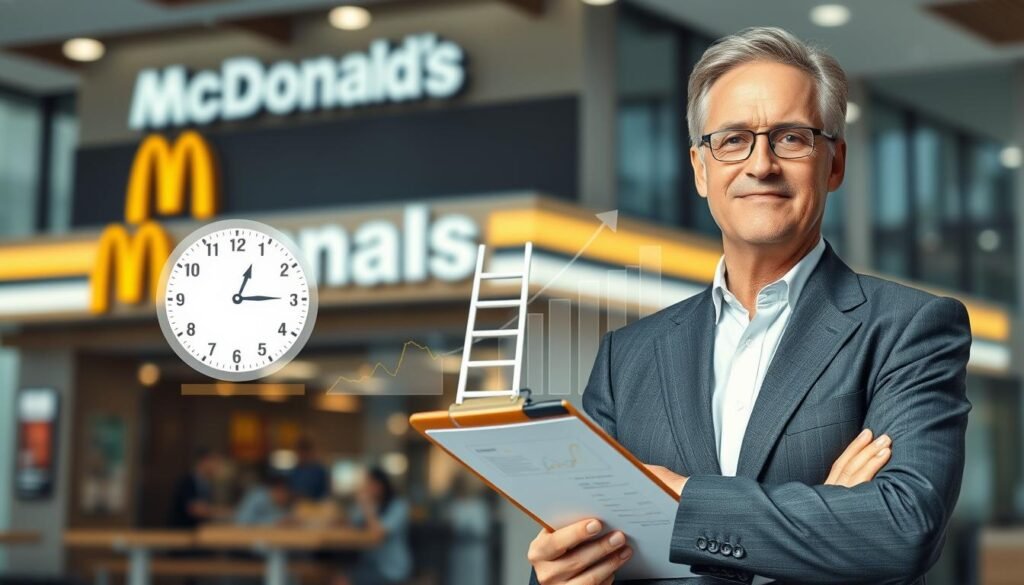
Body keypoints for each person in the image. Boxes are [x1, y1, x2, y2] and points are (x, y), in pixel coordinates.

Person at [527, 26, 971, 585]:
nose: (760, 165)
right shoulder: (628, 356)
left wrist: (681, 497)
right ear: (700, 168)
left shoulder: (909, 328)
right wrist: (825, 508)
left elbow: (901, 528)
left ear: (834, 164)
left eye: (791, 138)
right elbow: (584, 538)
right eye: (733, 139)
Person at [333, 467, 413, 585]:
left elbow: (378, 534)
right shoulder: (374, 504)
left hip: (391, 569)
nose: (366, 487)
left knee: (342, 580)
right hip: (369, 564)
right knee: (335, 573)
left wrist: (366, 506)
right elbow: (351, 522)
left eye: (368, 483)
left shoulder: (399, 507)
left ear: (379, 485)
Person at [169, 447, 229, 528]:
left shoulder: (208, 484)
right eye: (216, 462)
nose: (218, 466)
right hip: (182, 531)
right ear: (205, 461)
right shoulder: (187, 481)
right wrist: (223, 512)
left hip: (200, 532)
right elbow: (194, 509)